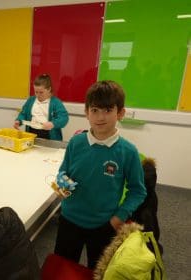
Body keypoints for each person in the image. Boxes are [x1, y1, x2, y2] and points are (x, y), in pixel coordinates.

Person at [53, 80, 147, 269]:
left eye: (107, 110)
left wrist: (118, 219)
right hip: (69, 219)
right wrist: (62, 182)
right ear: (86, 112)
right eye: (95, 110)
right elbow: (63, 171)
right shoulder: (76, 143)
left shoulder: (128, 152)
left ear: (120, 113)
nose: (100, 117)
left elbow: (138, 191)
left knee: (97, 271)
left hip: (104, 225)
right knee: (62, 268)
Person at [14, 73, 68, 140]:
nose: (38, 95)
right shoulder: (31, 100)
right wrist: (19, 121)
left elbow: (64, 118)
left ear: (49, 89)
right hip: (31, 134)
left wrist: (53, 124)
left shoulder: (56, 103)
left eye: (41, 92)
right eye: (36, 92)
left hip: (49, 136)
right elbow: (23, 114)